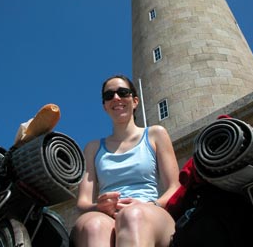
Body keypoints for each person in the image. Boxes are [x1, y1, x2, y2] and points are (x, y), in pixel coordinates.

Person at [70, 74, 180, 247]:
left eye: (123, 92)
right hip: (105, 215)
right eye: (109, 95)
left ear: (135, 101)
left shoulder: (155, 134)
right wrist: (99, 206)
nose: (116, 98)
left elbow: (175, 188)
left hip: (151, 210)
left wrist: (152, 204)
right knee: (93, 226)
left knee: (132, 215)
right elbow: (82, 203)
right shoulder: (92, 148)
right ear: (105, 106)